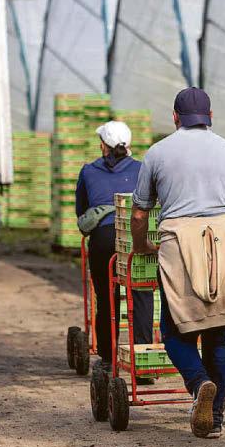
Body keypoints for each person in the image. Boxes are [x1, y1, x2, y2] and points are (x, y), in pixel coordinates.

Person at [131, 87, 225, 439]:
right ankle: (212, 420)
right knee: (221, 329)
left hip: (177, 244)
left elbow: (139, 212)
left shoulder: (158, 152)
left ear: (175, 117)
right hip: (224, 241)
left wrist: (142, 246)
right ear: (210, 117)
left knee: (175, 329)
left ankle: (199, 383)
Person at [75, 121, 154, 374]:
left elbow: (82, 211)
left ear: (102, 146)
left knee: (106, 298)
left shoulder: (88, 171)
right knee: (141, 294)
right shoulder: (142, 169)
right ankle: (143, 359)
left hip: (103, 240)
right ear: (128, 145)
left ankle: (109, 358)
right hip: (135, 238)